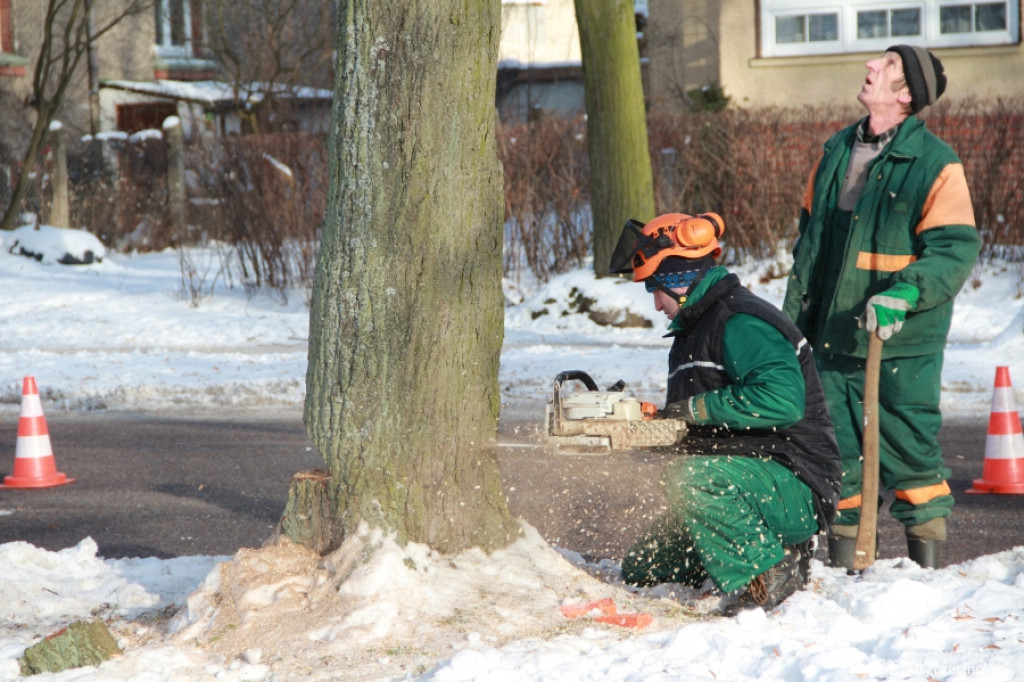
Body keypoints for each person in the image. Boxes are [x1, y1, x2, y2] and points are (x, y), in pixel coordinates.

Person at [782, 46, 981, 570]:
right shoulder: (835, 152)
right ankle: (848, 575)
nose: (871, 67)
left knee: (911, 459)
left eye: (887, 66)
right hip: (828, 340)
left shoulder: (935, 164)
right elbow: (811, 247)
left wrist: (908, 291)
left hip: (897, 345)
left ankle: (926, 578)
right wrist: (792, 327)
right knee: (838, 462)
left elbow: (955, 248)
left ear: (907, 93)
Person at [609, 212, 842, 615]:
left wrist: (693, 410)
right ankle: (757, 547)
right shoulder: (693, 331)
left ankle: (773, 568)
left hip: (794, 481)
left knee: (689, 480)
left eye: (655, 288)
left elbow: (782, 402)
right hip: (746, 477)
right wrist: (653, 429)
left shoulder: (740, 320)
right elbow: (716, 426)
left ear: (677, 280)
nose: (655, 303)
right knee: (643, 569)